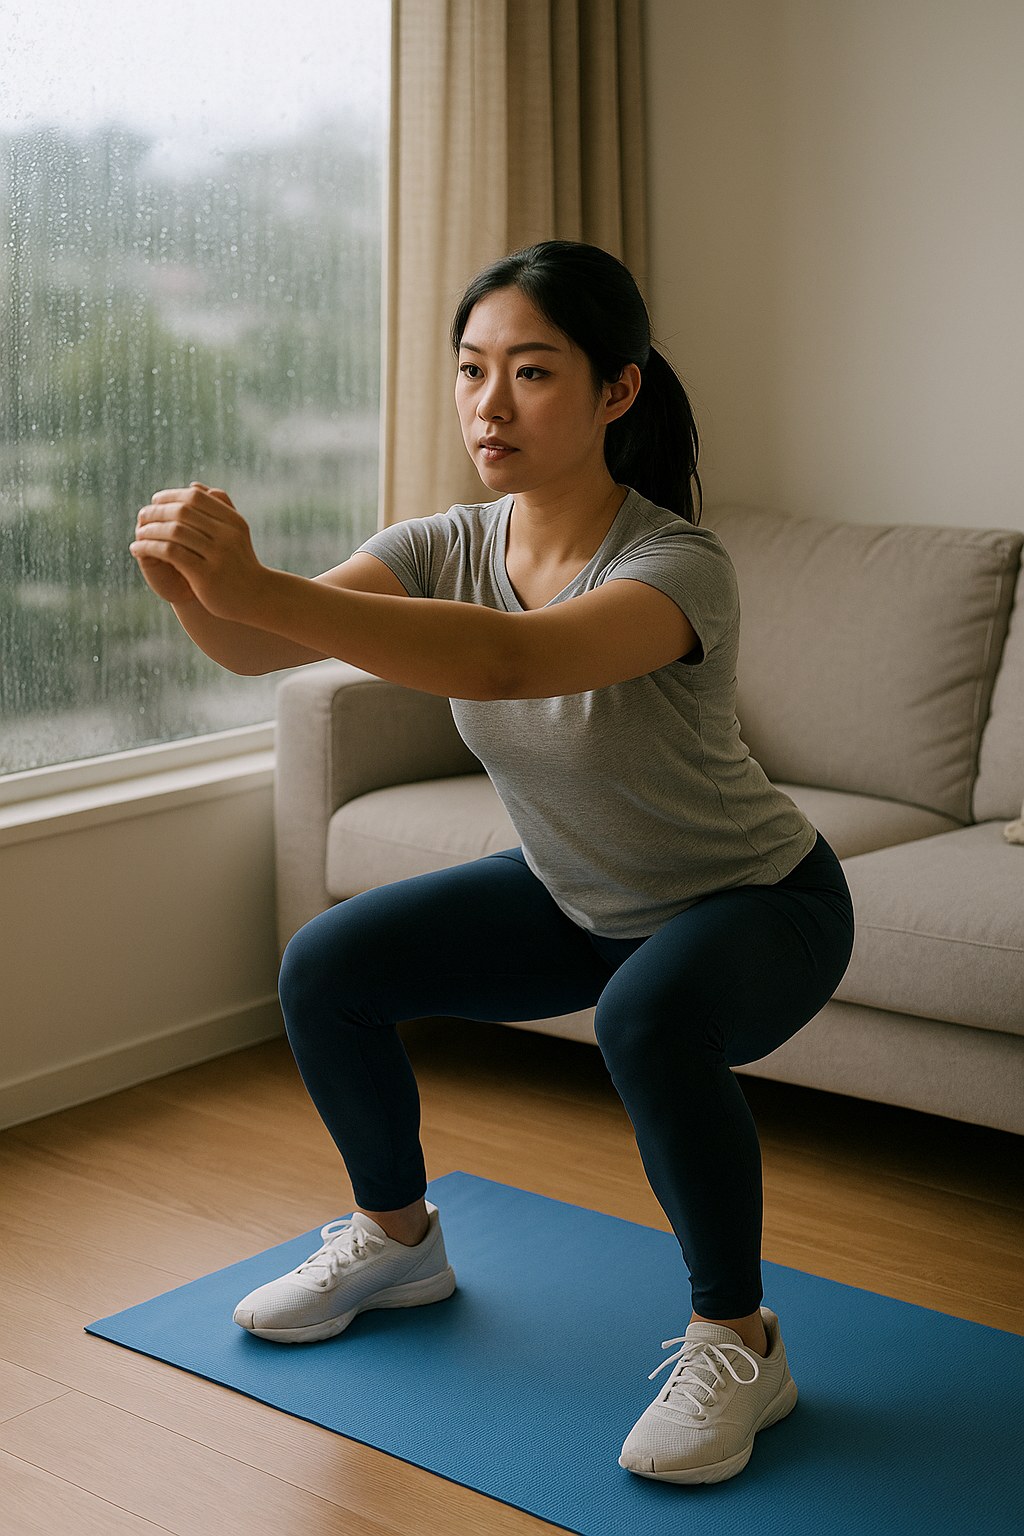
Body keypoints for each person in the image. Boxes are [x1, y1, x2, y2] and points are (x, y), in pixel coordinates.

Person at [130, 239, 855, 1486]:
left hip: (754, 901)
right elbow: (264, 652)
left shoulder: (676, 562)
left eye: (531, 372)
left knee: (649, 1016)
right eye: (472, 370)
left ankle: (741, 1340)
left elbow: (507, 661)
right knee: (328, 966)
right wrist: (196, 589)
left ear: (615, 391)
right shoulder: (443, 540)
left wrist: (258, 587)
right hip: (578, 894)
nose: (488, 404)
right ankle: (397, 1238)